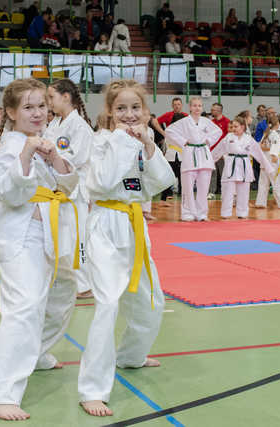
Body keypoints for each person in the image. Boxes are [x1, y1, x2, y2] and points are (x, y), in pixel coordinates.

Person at [0, 79, 78, 421]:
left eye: (41, 106)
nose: (38, 113)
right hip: (23, 236)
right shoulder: (11, 145)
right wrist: (26, 153)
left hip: (51, 232)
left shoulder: (41, 141)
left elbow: (70, 183)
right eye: (28, 107)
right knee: (22, 307)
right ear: (10, 112)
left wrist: (55, 160)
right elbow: (9, 192)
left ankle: (36, 351)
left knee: (63, 292)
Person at [77, 79, 175, 417]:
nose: (129, 114)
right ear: (109, 112)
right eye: (121, 108)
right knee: (107, 304)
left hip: (135, 226)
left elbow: (162, 182)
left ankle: (131, 356)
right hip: (106, 226)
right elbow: (101, 183)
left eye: (136, 108)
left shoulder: (141, 142)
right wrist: (122, 139)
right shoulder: (102, 141)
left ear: (146, 112)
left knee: (151, 299)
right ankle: (92, 389)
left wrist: (149, 145)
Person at [36, 78, 94, 372]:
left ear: (66, 96)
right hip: (56, 192)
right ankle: (72, 278)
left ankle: (84, 283)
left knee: (78, 241)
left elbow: (78, 158)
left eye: (51, 96)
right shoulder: (57, 123)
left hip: (75, 193)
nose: (49, 102)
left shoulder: (79, 126)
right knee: (65, 241)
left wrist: (52, 154)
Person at [165, 97, 222, 221]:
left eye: (200, 106)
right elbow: (169, 131)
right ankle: (187, 213)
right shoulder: (184, 122)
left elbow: (218, 131)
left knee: (203, 187)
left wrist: (209, 140)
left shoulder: (206, 121)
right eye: (195, 106)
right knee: (187, 187)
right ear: (190, 107)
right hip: (190, 153)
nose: (197, 108)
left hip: (204, 154)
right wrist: (183, 141)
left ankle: (202, 214)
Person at [213, 116, 273, 219]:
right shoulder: (228, 137)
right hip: (231, 164)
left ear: (243, 127)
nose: (234, 129)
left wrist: (268, 167)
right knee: (227, 191)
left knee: (244, 191)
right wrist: (208, 162)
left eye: (236, 126)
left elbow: (259, 154)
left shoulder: (249, 139)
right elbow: (218, 150)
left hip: (244, 165)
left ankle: (242, 213)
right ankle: (226, 213)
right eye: (232, 127)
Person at [254, 115, 280, 209]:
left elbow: (260, 147)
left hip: (264, 162)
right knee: (277, 183)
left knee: (263, 183)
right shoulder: (275, 135)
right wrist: (273, 155)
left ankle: (260, 202)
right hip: (272, 162)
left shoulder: (265, 134)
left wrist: (268, 150)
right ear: (277, 124)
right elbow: (275, 148)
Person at [209, 102, 230, 196]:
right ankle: (211, 192)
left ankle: (225, 192)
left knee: (224, 173)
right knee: (212, 173)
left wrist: (224, 153)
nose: (211, 111)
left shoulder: (227, 122)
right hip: (212, 152)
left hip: (223, 153)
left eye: (213, 109)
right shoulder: (211, 122)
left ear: (219, 111)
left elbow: (229, 138)